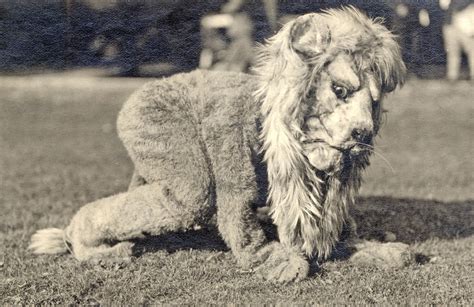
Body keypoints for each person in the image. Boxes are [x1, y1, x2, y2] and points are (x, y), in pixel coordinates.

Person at [441, 0, 474, 80]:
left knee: (472, 51)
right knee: (452, 52)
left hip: (466, 23)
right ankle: (452, 76)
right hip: (450, 24)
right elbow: (443, 5)